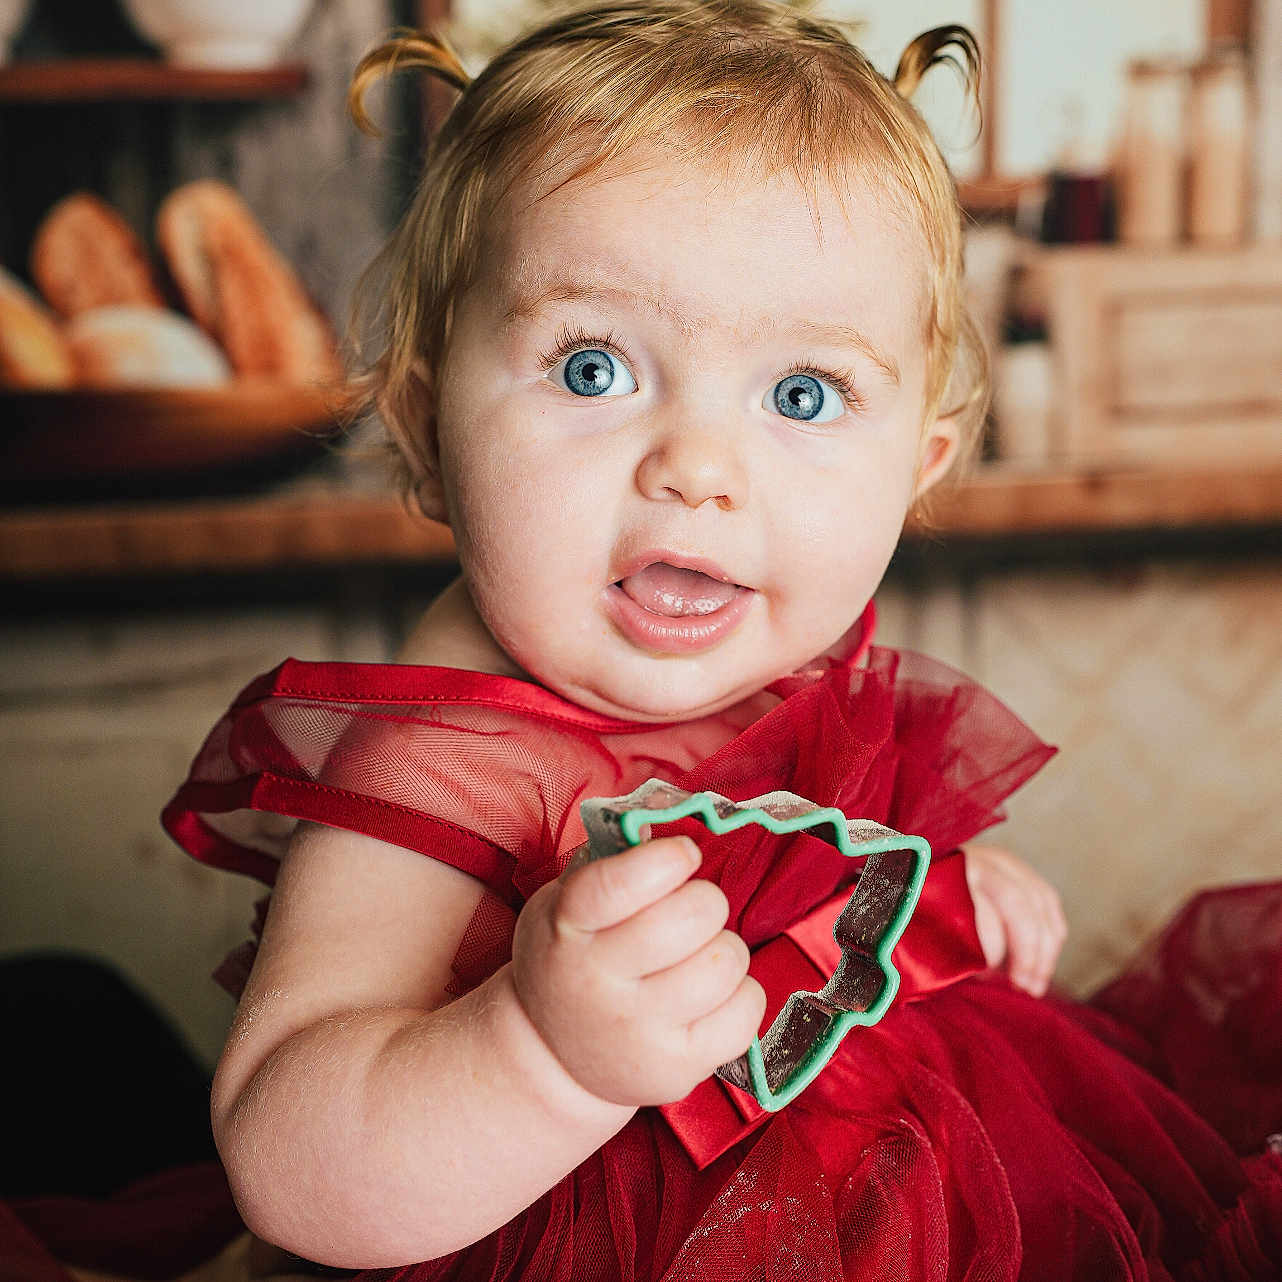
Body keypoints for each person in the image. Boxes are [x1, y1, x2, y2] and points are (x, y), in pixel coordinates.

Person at [31, 3, 1275, 1279]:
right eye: (590, 370)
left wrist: (928, 906)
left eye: (803, 395)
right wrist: (537, 1048)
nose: (698, 467)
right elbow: (291, 1169)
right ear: (423, 425)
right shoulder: (440, 754)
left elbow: (822, 879)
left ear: (919, 470)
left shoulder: (791, 661)